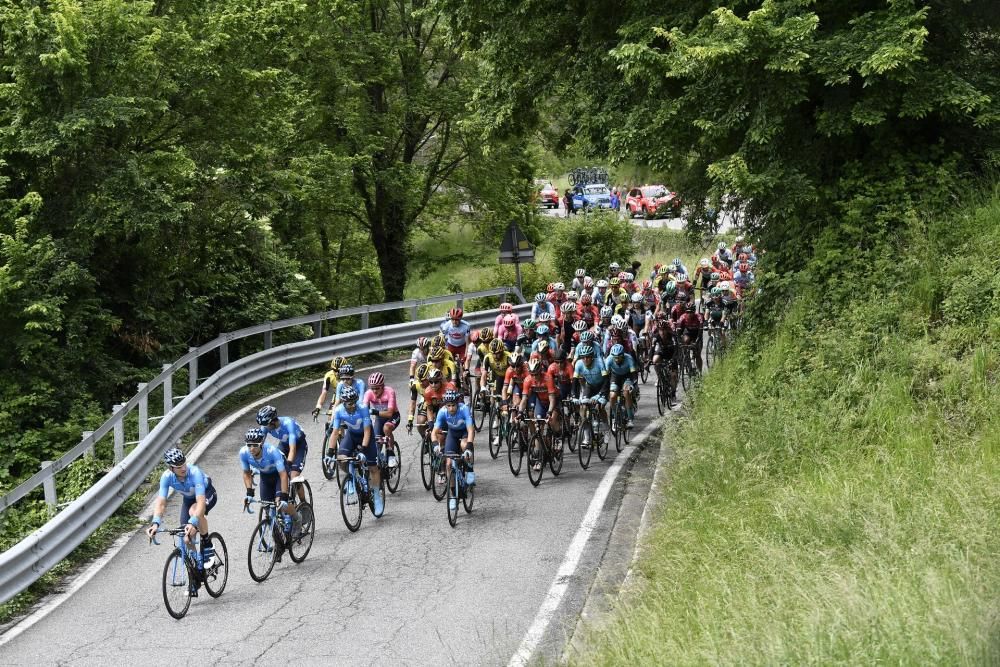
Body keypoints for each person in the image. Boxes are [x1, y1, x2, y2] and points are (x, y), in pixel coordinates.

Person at [146, 447, 219, 597]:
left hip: (206, 495)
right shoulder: (167, 477)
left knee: (194, 513)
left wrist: (193, 522)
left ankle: (207, 544)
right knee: (184, 537)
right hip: (188, 500)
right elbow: (161, 502)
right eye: (179, 467)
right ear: (171, 468)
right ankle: (196, 576)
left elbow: (200, 503)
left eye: (184, 464)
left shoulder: (195, 473)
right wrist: (155, 523)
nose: (183, 468)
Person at [239, 428, 296, 562]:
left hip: (279, 475)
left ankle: (296, 517)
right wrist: (249, 492)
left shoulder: (272, 452)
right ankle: (280, 545)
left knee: (280, 504)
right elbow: (246, 473)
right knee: (268, 510)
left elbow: (283, 475)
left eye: (255, 445)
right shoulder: (243, 453)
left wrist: (283, 496)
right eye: (249, 445)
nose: (251, 448)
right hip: (265, 476)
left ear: (262, 444)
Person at [329, 386, 384, 516]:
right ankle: (352, 478)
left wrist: (363, 450)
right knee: (341, 458)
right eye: (349, 403)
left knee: (373, 468)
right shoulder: (338, 410)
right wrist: (329, 453)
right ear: (343, 402)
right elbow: (335, 432)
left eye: (354, 402)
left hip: (366, 437)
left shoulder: (363, 408)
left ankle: (376, 496)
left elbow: (367, 431)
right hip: (352, 436)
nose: (352, 405)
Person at [431, 389, 476, 512]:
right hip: (452, 433)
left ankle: (470, 469)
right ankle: (452, 496)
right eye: (448, 406)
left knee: (463, 445)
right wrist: (435, 445)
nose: (451, 408)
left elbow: (471, 430)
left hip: (465, 432)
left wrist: (469, 447)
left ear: (457, 403)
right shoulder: (442, 412)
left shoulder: (464, 409)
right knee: (449, 464)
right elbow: (434, 432)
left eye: (453, 405)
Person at [256, 405, 309, 503]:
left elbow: (292, 449)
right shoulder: (266, 427)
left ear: (273, 421)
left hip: (298, 446)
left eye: (265, 424)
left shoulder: (288, 423)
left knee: (293, 476)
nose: (263, 427)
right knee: (277, 470)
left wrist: (288, 465)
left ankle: (304, 503)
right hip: (284, 445)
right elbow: (259, 446)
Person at [363, 372, 400, 469]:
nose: (374, 391)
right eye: (372, 388)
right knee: (376, 442)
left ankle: (390, 453)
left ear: (383, 386)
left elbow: (389, 413)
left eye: (377, 388)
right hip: (379, 418)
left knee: (387, 428)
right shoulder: (368, 393)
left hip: (393, 416)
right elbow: (364, 411)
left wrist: (373, 411)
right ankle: (380, 464)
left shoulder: (389, 392)